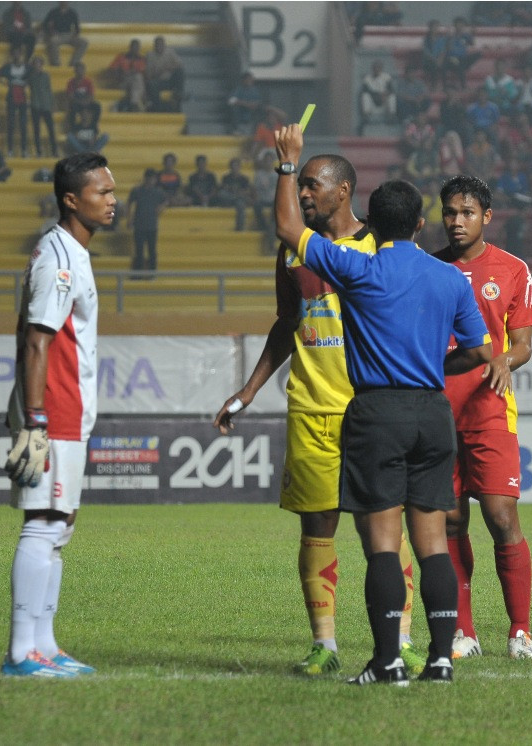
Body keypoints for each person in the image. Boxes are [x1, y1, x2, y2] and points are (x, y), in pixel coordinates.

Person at [272, 122, 499, 686]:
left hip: (378, 413)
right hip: (432, 413)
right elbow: (479, 351)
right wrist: (433, 368)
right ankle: (442, 658)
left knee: (380, 545)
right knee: (432, 545)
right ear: (422, 224)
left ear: (373, 224)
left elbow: (286, 226)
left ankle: (388, 661)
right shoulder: (450, 279)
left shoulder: (361, 267)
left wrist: (286, 164)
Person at [214, 152, 427, 678]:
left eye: (313, 186)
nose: (304, 195)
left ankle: (400, 641)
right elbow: (287, 322)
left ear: (344, 189)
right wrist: (247, 391)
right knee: (317, 527)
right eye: (301, 185)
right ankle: (324, 645)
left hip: (371, 407)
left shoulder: (384, 245)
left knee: (386, 532)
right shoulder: (293, 254)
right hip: (311, 406)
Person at [1, 151, 116, 677]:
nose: (113, 200)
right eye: (103, 192)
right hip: (56, 411)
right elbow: (36, 342)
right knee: (43, 524)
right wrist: (38, 420)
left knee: (60, 526)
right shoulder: (58, 257)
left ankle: (45, 645)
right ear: (72, 199)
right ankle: (22, 652)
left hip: (71, 411)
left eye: (112, 190)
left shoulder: (73, 251)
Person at [432, 175, 532, 661]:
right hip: (435, 411)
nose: (457, 221)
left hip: (490, 409)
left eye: (467, 213)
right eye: (450, 213)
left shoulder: (513, 269)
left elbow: (523, 345)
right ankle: (464, 632)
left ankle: (520, 631)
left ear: (486, 217)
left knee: (500, 516)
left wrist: (505, 360)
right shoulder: (429, 267)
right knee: (452, 521)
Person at [0, 45, 30, 157]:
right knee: (11, 124)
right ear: (12, 55)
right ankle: (10, 150)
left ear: (21, 54)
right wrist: (4, 83)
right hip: (12, 97)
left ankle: (24, 150)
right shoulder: (8, 67)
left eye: (18, 53)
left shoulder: (27, 67)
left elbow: (34, 76)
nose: (16, 55)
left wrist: (27, 82)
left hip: (22, 97)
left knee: (23, 125)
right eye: (15, 53)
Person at [126, 168, 166, 275]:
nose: (150, 180)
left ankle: (152, 273)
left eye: (152, 178)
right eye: (149, 178)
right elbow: (129, 203)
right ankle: (138, 274)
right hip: (139, 224)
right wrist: (129, 219)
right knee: (139, 250)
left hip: (151, 225)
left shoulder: (158, 192)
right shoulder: (137, 191)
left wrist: (161, 207)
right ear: (145, 178)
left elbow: (165, 201)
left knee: (151, 250)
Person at [145, 36, 185, 113]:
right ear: (154, 46)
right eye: (157, 45)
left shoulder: (170, 52)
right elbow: (149, 75)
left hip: (170, 79)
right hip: (159, 81)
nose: (159, 47)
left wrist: (168, 67)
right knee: (151, 84)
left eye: (161, 45)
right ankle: (158, 107)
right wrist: (159, 71)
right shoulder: (150, 55)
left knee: (180, 72)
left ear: (164, 45)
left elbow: (180, 64)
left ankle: (179, 93)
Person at [41, 1, 87, 68]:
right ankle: (56, 63)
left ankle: (74, 63)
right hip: (58, 35)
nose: (64, 2)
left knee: (84, 42)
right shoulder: (53, 12)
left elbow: (77, 27)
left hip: (69, 35)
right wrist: (51, 31)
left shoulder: (72, 12)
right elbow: (45, 25)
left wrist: (76, 34)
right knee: (53, 41)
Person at [27, 56, 57, 157]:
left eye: (39, 63)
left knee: (51, 130)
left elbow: (49, 90)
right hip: (35, 105)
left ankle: (54, 150)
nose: (37, 66)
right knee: (37, 130)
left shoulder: (46, 76)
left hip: (46, 105)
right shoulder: (30, 77)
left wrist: (52, 104)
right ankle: (38, 151)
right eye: (35, 63)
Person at [358, 59, 397, 130]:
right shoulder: (367, 78)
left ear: (381, 68)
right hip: (372, 103)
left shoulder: (386, 77)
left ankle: (391, 117)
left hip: (384, 103)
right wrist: (379, 95)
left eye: (378, 67)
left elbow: (392, 90)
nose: (376, 69)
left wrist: (385, 94)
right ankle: (366, 118)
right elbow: (365, 91)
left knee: (392, 97)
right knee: (365, 96)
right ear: (372, 68)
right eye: (375, 68)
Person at [228, 71, 263, 135]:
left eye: (251, 79)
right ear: (243, 80)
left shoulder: (255, 91)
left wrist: (242, 103)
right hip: (239, 118)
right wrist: (246, 104)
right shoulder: (238, 89)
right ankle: (236, 129)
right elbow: (231, 101)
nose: (250, 81)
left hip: (251, 118)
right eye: (248, 79)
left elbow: (256, 104)